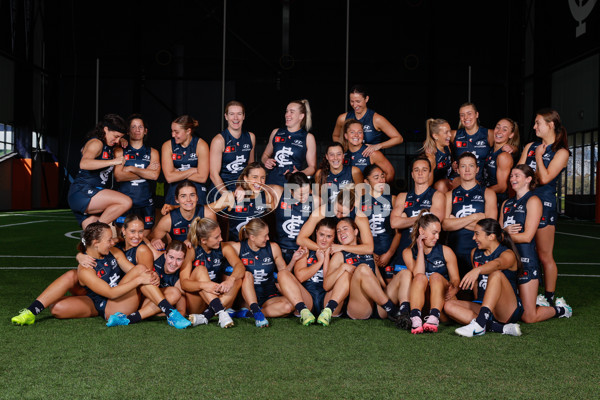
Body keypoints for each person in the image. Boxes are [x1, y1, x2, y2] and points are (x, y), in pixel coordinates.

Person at [12, 222, 191, 328]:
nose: (113, 242)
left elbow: (131, 270)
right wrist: (139, 279)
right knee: (57, 309)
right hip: (104, 302)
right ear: (96, 244)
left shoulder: (113, 251)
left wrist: (146, 276)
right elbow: (110, 293)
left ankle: (170, 313)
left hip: (117, 303)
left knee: (140, 269)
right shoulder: (85, 268)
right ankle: (31, 312)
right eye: (109, 239)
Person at [501, 164, 572, 322]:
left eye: (517, 175)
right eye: (511, 175)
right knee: (506, 313)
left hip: (526, 260)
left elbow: (527, 236)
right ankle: (534, 301)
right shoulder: (506, 204)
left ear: (528, 179)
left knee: (528, 317)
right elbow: (500, 231)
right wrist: (502, 234)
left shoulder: (533, 201)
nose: (512, 178)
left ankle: (560, 310)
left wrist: (503, 235)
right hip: (507, 260)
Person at [518, 108, 570, 306]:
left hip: (544, 204)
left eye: (537, 123)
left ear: (550, 125)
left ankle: (548, 297)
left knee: (544, 254)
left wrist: (539, 156)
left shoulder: (561, 152)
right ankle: (525, 292)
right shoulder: (530, 145)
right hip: (523, 202)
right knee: (523, 249)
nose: (534, 127)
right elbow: (518, 172)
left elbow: (546, 178)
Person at [226, 218, 315, 327]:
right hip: (247, 299)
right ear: (252, 237)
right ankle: (254, 310)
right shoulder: (237, 248)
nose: (268, 238)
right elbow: (220, 248)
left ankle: (251, 314)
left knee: (288, 307)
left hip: (268, 297)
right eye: (264, 236)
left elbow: (284, 274)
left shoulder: (273, 247)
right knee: (246, 274)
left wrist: (293, 260)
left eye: (268, 235)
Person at [444, 219, 524, 337]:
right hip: (484, 306)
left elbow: (497, 264)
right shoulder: (475, 253)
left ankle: (480, 324)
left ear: (491, 236)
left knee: (496, 274)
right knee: (448, 306)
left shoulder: (507, 254)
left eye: (477, 234)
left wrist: (478, 270)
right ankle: (499, 328)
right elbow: (476, 284)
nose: (473, 238)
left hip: (507, 309)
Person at [326, 218, 400, 320]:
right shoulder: (339, 255)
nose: (341, 233)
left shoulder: (368, 253)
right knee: (362, 269)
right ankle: (393, 310)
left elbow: (379, 280)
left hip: (379, 306)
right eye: (338, 231)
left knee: (404, 274)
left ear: (355, 231)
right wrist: (343, 267)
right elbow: (326, 286)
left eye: (345, 229)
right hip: (360, 307)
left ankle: (405, 313)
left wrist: (388, 290)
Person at [67, 114, 132, 229]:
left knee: (93, 241)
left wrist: (121, 139)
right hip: (83, 191)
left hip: (92, 194)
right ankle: (96, 230)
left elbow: (117, 139)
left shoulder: (109, 143)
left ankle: (91, 234)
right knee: (125, 202)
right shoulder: (96, 143)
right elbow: (84, 163)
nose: (117, 140)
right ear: (105, 129)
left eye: (119, 137)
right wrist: (113, 161)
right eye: (115, 136)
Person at [181, 217, 246, 328]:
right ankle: (221, 312)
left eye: (220, 234)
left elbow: (240, 266)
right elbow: (184, 283)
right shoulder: (191, 250)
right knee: (200, 269)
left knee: (238, 279)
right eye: (216, 237)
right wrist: (204, 285)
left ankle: (207, 316)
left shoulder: (224, 247)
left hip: (215, 296)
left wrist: (231, 280)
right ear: (203, 240)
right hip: (197, 300)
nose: (220, 239)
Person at [402, 210, 459, 334]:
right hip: (423, 304)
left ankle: (434, 316)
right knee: (420, 278)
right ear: (422, 232)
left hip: (443, 303)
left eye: (439, 233)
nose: (437, 237)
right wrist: (420, 248)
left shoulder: (446, 251)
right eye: (434, 233)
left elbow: (455, 279)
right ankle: (415, 318)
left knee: (435, 277)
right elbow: (418, 275)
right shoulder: (408, 252)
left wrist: (454, 287)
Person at [443, 152, 497, 280]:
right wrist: (475, 217)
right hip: (455, 250)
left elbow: (490, 227)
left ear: (477, 169)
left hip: (481, 251)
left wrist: (456, 221)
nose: (467, 170)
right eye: (463, 166)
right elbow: (445, 225)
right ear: (457, 170)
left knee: (478, 294)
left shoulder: (488, 194)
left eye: (471, 166)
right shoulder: (449, 195)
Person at [390, 157, 445, 272]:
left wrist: (405, 220)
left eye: (424, 170)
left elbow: (433, 222)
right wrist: (422, 217)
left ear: (430, 174)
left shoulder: (437, 195)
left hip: (428, 252)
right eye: (416, 170)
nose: (420, 173)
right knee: (404, 285)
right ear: (412, 174)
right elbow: (394, 223)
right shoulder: (402, 196)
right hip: (405, 248)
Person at [292, 217, 346, 326]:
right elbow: (300, 277)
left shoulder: (337, 254)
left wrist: (326, 257)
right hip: (307, 300)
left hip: (328, 299)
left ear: (334, 237)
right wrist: (319, 262)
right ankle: (304, 312)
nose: (324, 240)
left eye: (329, 236)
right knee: (283, 274)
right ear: (316, 233)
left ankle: (327, 312)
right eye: (321, 235)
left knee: (346, 274)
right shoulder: (306, 249)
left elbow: (327, 284)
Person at [114, 114, 160, 236]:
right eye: (133, 127)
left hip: (145, 203)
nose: (137, 129)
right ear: (128, 131)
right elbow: (119, 176)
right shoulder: (120, 151)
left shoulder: (153, 152)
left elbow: (155, 176)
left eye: (140, 127)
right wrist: (146, 172)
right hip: (124, 203)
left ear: (145, 131)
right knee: (123, 239)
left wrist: (131, 168)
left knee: (142, 241)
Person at [332, 85, 403, 155]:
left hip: (371, 162)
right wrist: (342, 148)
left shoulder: (376, 119)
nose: (355, 105)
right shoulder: (342, 118)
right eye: (352, 101)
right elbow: (335, 136)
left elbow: (398, 138)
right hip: (351, 160)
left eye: (358, 101)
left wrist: (378, 146)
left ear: (366, 99)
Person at [261, 99, 317, 188]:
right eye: (287, 111)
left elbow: (312, 168)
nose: (287, 115)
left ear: (301, 116)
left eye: (292, 112)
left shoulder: (308, 137)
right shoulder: (276, 132)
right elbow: (265, 155)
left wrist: (300, 173)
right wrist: (266, 161)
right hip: (272, 181)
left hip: (293, 183)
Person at [360, 164, 400, 283]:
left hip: (390, 253)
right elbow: (356, 232)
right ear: (366, 182)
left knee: (391, 288)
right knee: (371, 287)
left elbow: (399, 232)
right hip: (368, 253)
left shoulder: (393, 199)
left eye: (382, 176)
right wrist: (369, 252)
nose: (381, 180)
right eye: (376, 177)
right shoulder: (360, 202)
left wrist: (389, 253)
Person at [209, 101, 256, 200]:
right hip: (222, 187)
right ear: (226, 116)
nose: (235, 118)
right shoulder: (219, 140)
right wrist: (227, 195)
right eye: (231, 114)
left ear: (243, 116)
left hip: (242, 186)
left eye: (239, 114)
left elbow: (250, 168)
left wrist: (244, 187)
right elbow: (213, 174)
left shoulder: (250, 137)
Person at [149, 181, 216, 250]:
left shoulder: (208, 214)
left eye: (192, 195)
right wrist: (154, 240)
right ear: (177, 199)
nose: (188, 199)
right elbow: (150, 238)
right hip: (178, 257)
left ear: (197, 197)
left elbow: (215, 239)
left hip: (202, 254)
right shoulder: (168, 220)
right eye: (183, 196)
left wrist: (193, 242)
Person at [161, 114, 210, 206]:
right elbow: (169, 178)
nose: (173, 135)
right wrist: (192, 170)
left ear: (188, 131)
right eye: (172, 131)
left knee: (198, 218)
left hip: (196, 188)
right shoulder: (167, 146)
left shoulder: (201, 145)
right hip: (175, 189)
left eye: (176, 132)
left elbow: (203, 178)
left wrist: (178, 172)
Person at [225, 162, 280, 242]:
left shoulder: (267, 196)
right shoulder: (233, 196)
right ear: (246, 178)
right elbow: (208, 210)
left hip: (259, 247)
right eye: (255, 177)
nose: (259, 181)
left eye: (263, 178)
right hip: (238, 247)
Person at [275, 172, 318, 264]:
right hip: (281, 252)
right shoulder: (279, 195)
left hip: (303, 252)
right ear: (291, 191)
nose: (305, 197)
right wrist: (241, 188)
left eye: (307, 192)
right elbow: (259, 188)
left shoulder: (315, 200)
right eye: (301, 194)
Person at [451, 102, 493, 185]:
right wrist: (452, 162)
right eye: (462, 115)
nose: (466, 117)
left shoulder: (489, 134)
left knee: (472, 184)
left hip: (480, 180)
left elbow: (509, 144)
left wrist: (513, 149)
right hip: (459, 178)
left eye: (469, 114)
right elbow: (435, 141)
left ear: (477, 114)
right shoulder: (454, 134)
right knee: (441, 185)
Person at [484, 118, 519, 210]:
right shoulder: (491, 148)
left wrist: (480, 193)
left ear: (511, 135)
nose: (499, 131)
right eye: (497, 127)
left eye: (504, 129)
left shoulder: (504, 156)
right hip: (486, 196)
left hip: (497, 202)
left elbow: (502, 187)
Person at [422, 118, 453, 193]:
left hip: (448, 184)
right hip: (438, 191)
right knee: (441, 185)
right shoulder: (431, 156)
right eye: (446, 132)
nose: (450, 135)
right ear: (435, 136)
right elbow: (427, 185)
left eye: (450, 131)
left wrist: (454, 165)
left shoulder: (447, 146)